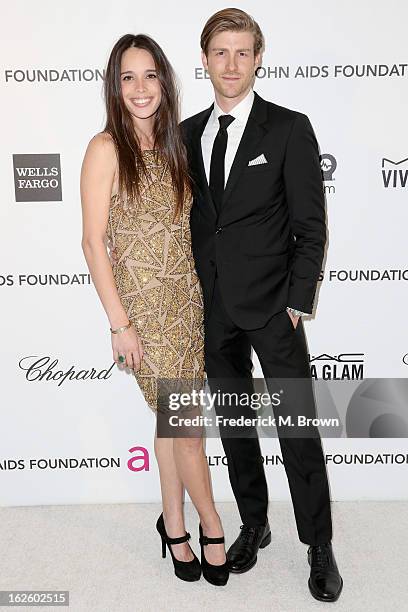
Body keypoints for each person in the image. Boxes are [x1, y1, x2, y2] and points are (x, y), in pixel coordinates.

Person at [180, 8, 343, 602]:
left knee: (298, 429)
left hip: (274, 307)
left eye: (242, 52)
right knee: (235, 425)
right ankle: (254, 523)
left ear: (257, 59)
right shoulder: (188, 132)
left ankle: (319, 544)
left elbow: (310, 224)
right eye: (220, 52)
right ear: (205, 60)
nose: (231, 63)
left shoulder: (288, 128)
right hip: (211, 308)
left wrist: (298, 300)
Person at [80, 33, 228, 586]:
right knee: (188, 430)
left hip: (185, 304)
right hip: (143, 313)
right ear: (115, 88)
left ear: (164, 81)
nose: (141, 89)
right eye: (128, 78)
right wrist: (119, 324)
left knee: (172, 425)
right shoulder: (105, 148)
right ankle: (211, 525)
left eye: (150, 76)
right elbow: (94, 242)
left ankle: (173, 524)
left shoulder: (174, 146)